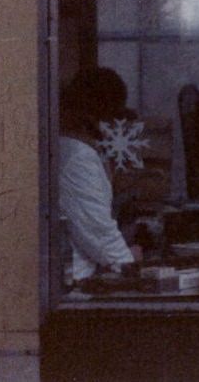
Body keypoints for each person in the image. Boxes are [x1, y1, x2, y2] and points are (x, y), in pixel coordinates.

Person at [59, 67, 143, 282]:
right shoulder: (78, 156)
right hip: (79, 280)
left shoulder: (73, 149)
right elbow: (98, 233)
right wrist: (128, 265)